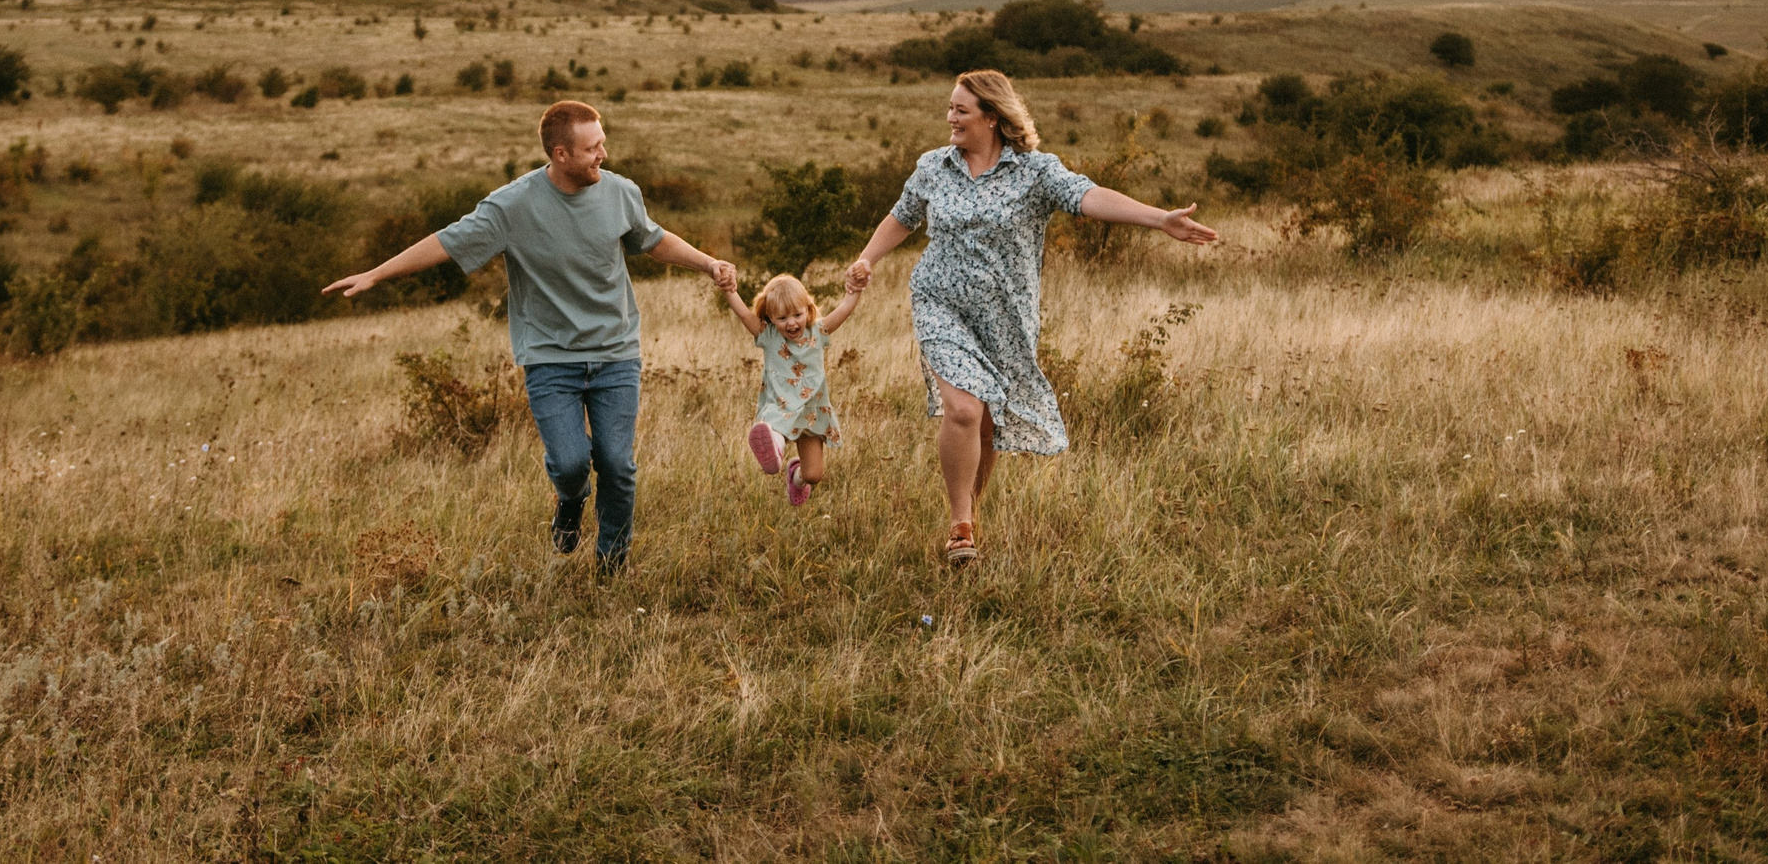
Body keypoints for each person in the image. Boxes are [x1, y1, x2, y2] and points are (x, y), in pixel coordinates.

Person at [325, 100, 737, 574]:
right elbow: (447, 241)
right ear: (560, 154)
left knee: (618, 466)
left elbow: (653, 238)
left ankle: (611, 567)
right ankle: (570, 501)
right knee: (569, 464)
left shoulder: (622, 193)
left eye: (602, 142)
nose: (603, 153)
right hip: (550, 356)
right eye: (591, 148)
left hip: (616, 351)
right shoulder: (513, 205)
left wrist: (708, 263)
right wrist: (377, 274)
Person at [846, 69, 1220, 567]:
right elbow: (904, 215)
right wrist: (867, 258)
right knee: (963, 409)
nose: (950, 117)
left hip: (1004, 318)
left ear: (992, 117)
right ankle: (960, 528)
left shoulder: (1035, 172)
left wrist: (1158, 218)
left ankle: (969, 515)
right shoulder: (934, 166)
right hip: (941, 303)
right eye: (950, 108)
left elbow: (1089, 197)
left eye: (961, 110)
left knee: (986, 424)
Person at [723, 273, 860, 507]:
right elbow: (744, 313)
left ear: (808, 309)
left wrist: (856, 288)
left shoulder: (818, 331)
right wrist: (729, 289)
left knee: (814, 475)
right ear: (770, 317)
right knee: (773, 430)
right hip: (779, 407)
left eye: (797, 314)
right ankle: (773, 448)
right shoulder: (769, 336)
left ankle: (795, 476)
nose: (792, 323)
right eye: (782, 317)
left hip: (811, 412)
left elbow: (845, 309)